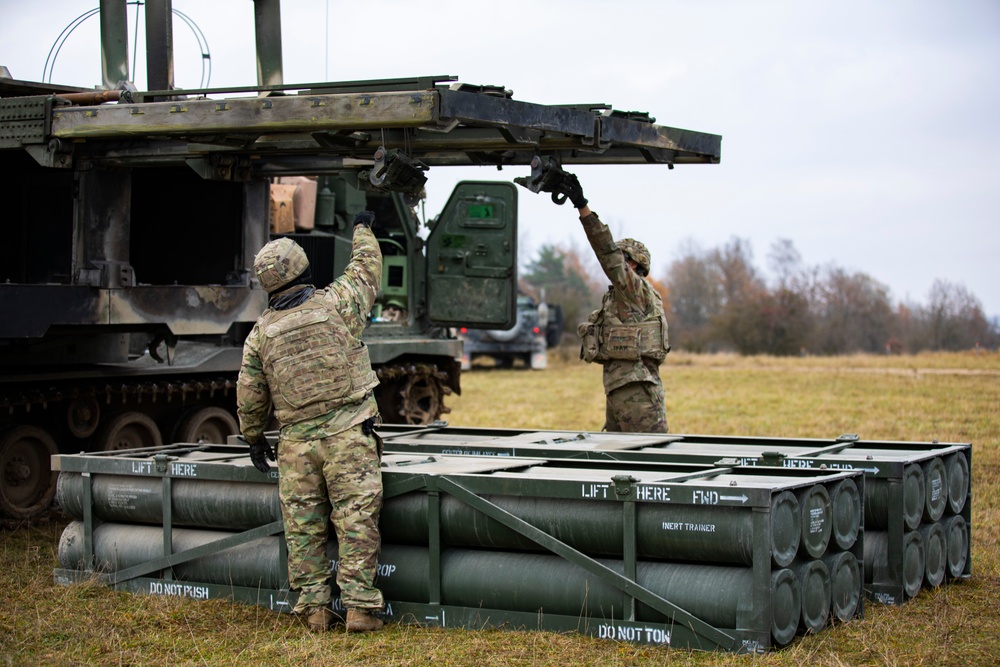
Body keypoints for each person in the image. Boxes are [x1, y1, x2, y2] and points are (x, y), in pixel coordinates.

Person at [236, 210, 386, 633]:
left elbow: (249, 393)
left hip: (296, 446)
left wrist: (253, 438)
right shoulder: (339, 304)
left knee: (303, 528)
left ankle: (315, 611)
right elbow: (366, 268)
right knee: (356, 519)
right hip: (348, 437)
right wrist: (362, 228)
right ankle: (358, 608)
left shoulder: (261, 334)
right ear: (303, 268)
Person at [551, 172, 670, 433]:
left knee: (648, 460)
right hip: (621, 389)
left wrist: (582, 207)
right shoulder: (621, 296)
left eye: (623, 258)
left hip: (637, 393)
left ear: (635, 264)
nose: (616, 264)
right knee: (616, 460)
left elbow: (606, 253)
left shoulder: (635, 291)